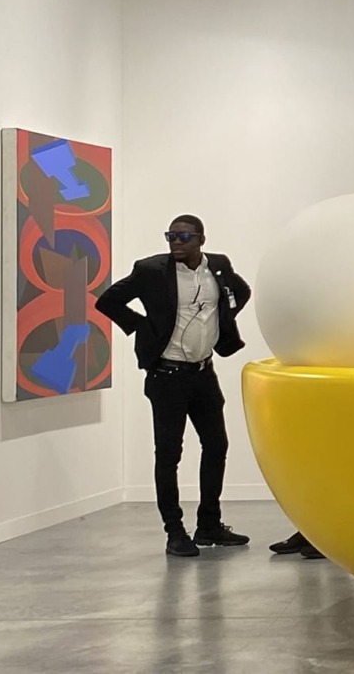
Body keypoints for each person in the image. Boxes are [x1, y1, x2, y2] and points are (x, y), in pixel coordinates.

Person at [96, 215, 252, 558]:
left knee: (217, 445)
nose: (176, 243)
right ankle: (174, 531)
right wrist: (143, 326)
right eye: (171, 236)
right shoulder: (151, 271)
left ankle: (209, 524)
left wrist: (223, 319)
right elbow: (107, 300)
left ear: (201, 239)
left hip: (203, 374)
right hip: (167, 376)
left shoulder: (220, 267)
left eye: (183, 236)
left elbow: (242, 292)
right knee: (169, 454)